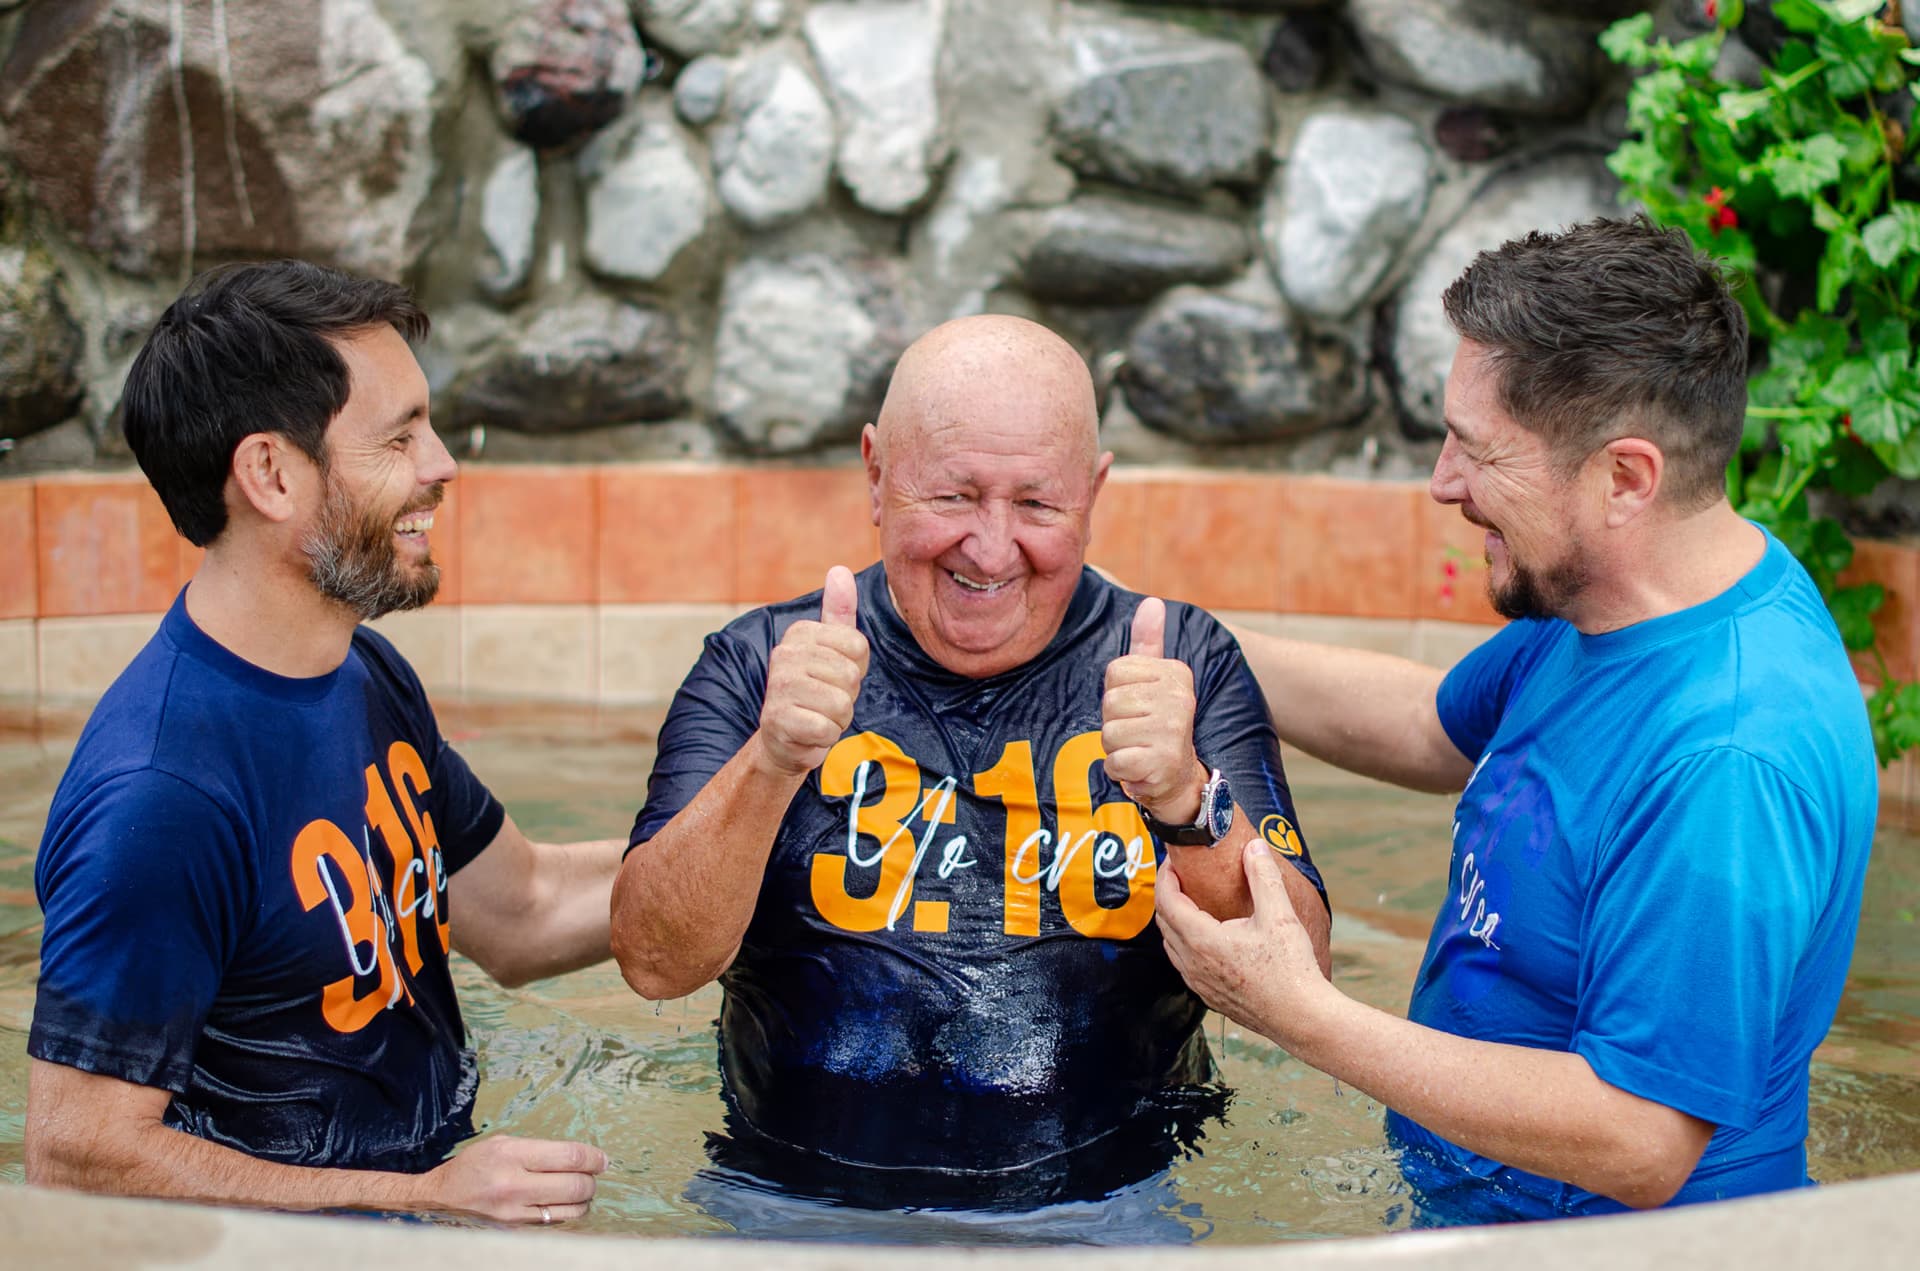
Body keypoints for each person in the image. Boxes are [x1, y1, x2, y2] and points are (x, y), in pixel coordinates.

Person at [1155, 217, 1878, 1222]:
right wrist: (1169, 633)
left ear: (1625, 477)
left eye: (1479, 450)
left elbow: (1642, 1138)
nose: (1445, 482)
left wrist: (1301, 1013)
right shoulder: (1616, 599)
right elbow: (1423, 720)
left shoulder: (1727, 756)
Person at [610, 314, 1332, 1217]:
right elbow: (651, 960)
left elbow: (1306, 979)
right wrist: (772, 761)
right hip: (790, 1200)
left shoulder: (1183, 663)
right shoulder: (760, 664)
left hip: (1116, 1201)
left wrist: (1188, 802)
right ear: (875, 473)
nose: (991, 549)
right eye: (953, 497)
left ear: (1095, 492)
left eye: (1037, 504)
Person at [26, 261, 623, 1225]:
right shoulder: (161, 794)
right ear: (269, 473)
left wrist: (757, 832)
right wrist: (424, 1197)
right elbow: (77, 1157)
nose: (443, 465)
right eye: (398, 437)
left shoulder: (364, 673)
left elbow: (523, 909)